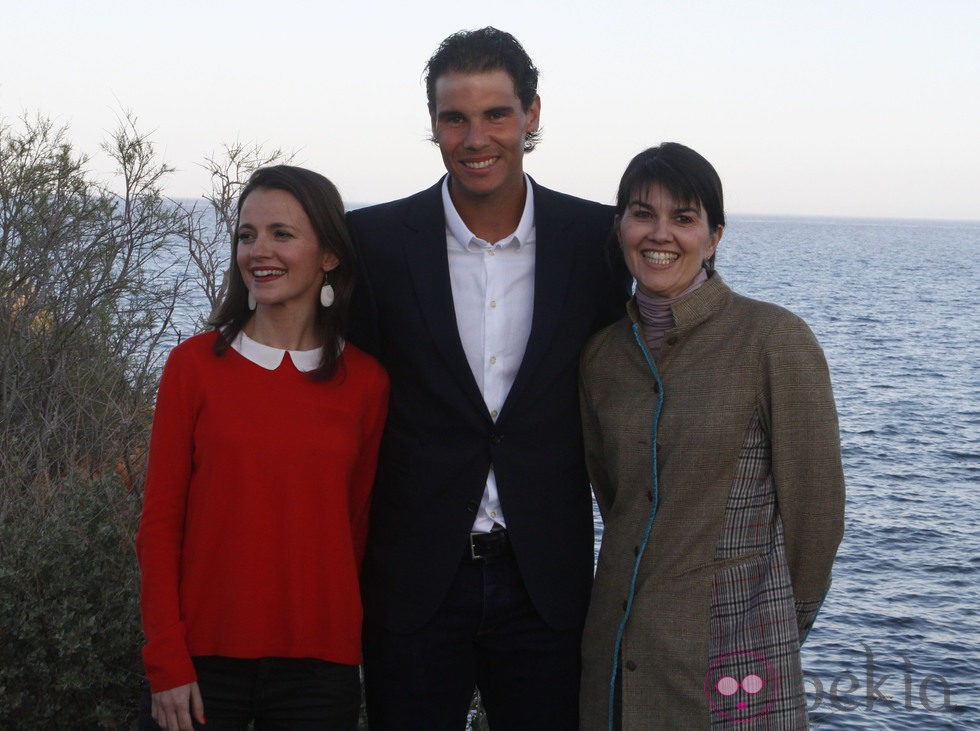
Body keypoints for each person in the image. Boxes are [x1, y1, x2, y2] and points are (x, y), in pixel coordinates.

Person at [347, 27, 631, 730]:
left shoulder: (596, 242)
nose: (476, 137)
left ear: (531, 115)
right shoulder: (375, 244)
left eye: (496, 114)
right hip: (414, 584)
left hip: (546, 584)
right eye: (455, 117)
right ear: (435, 124)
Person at [578, 142, 846, 729]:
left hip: (734, 662)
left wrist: (768, 626)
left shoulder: (773, 339)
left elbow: (816, 516)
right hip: (616, 651)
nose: (660, 234)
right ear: (620, 224)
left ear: (715, 235)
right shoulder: (602, 356)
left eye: (684, 217)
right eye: (643, 213)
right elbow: (617, 502)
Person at [136, 165, 389, 731]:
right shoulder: (193, 368)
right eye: (246, 235)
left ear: (328, 255)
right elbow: (159, 527)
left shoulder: (367, 383)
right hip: (201, 666)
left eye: (282, 233)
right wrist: (166, 663)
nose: (259, 251)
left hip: (321, 672)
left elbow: (356, 528)